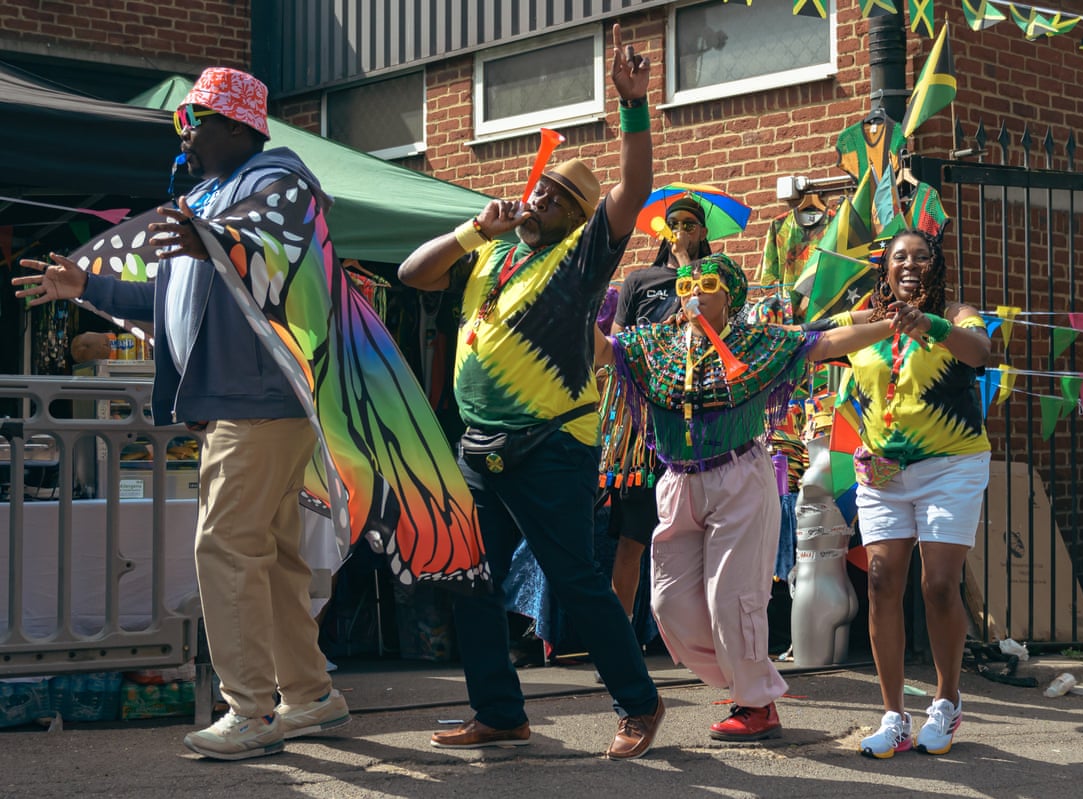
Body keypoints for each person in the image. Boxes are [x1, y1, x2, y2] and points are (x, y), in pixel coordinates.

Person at [13, 67, 349, 761]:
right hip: (250, 405)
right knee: (273, 555)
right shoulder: (206, 196)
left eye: (193, 121)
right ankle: (310, 694)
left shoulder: (278, 180)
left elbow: (273, 250)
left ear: (235, 125)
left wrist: (217, 239)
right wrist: (85, 287)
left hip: (255, 401)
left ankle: (250, 709)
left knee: (222, 547)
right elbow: (164, 302)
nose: (185, 135)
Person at [397, 24, 665, 760]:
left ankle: (639, 704)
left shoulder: (581, 263)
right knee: (470, 575)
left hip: (551, 448)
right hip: (478, 446)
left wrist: (632, 108)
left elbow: (633, 190)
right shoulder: (495, 253)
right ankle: (499, 710)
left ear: (578, 217)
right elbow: (412, 274)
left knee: (576, 580)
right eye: (539, 187)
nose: (540, 196)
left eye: (557, 196)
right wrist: (469, 231)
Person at [597, 252, 901, 742]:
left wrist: (890, 324)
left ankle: (756, 704)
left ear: (730, 294)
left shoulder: (757, 342)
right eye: (686, 284)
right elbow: (601, 352)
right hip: (676, 481)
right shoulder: (655, 344)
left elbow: (825, 343)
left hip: (737, 474)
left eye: (708, 281)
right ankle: (746, 678)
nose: (693, 290)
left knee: (731, 599)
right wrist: (583, 303)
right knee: (668, 603)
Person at [840, 228, 991, 759]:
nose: (908, 264)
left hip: (951, 464)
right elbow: (815, 338)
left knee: (940, 585)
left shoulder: (957, 313)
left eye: (920, 256)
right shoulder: (867, 320)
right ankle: (893, 715)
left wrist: (928, 323)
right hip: (883, 471)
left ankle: (947, 703)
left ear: (936, 263)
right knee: (880, 581)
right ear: (884, 268)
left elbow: (978, 350)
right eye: (898, 257)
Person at [605, 196, 712, 620]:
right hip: (645, 427)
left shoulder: (715, 278)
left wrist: (689, 266)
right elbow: (616, 345)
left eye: (690, 224)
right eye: (674, 224)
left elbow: (709, 324)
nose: (681, 230)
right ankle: (621, 644)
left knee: (701, 535)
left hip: (698, 422)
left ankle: (705, 640)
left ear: (703, 232)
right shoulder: (639, 281)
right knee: (633, 537)